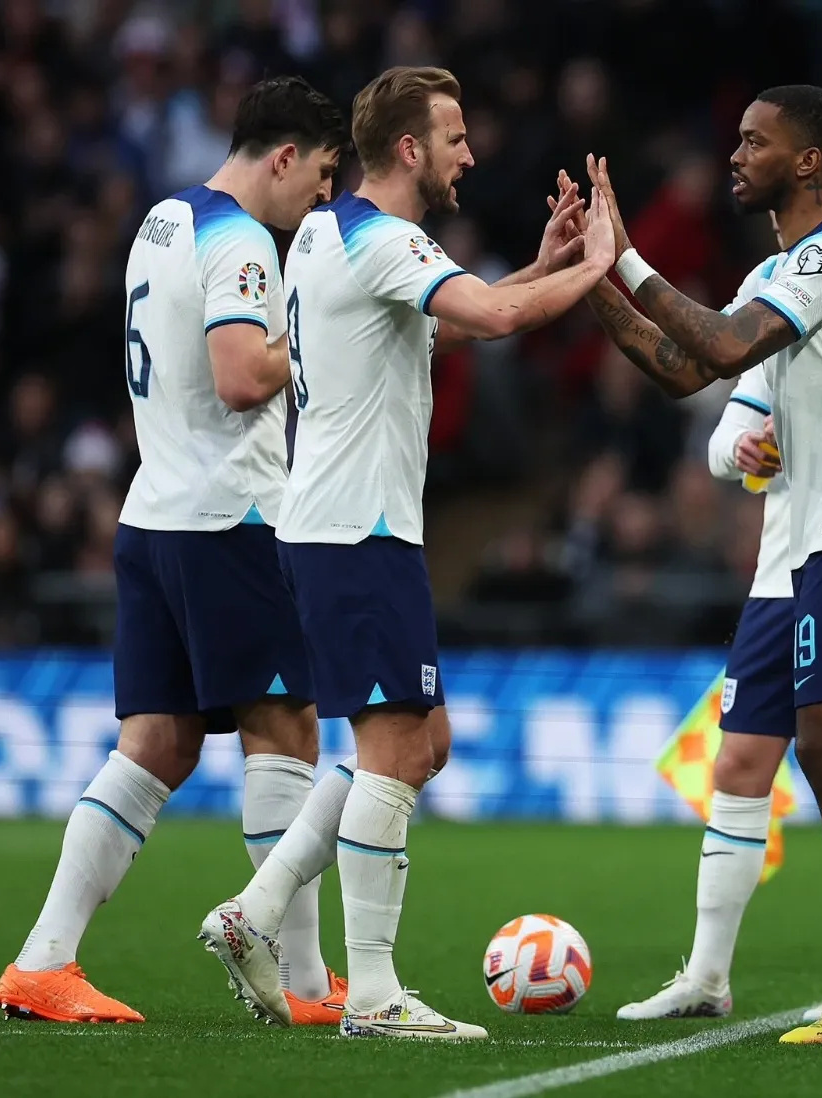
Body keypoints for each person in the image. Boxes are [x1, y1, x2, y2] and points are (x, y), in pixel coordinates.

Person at [196, 66, 615, 1039]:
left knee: (421, 742)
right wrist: (595, 264)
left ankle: (253, 910)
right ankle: (375, 995)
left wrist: (543, 262)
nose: (472, 153)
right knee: (393, 749)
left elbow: (443, 325)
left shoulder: (322, 235)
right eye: (456, 135)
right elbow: (499, 321)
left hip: (344, 525)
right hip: (358, 530)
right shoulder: (389, 240)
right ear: (411, 149)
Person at [582, 84, 822, 1045]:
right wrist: (595, 284)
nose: (734, 156)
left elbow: (728, 343)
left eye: (755, 141)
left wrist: (629, 257)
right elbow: (686, 365)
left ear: (809, 161)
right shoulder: (786, 264)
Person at [0, 77, 349, 1026]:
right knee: (288, 728)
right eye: (320, 174)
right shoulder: (239, 241)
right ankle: (309, 986)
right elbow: (240, 378)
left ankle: (43, 960)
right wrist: (321, 344)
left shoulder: (161, 222)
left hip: (154, 512)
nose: (321, 197)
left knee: (155, 744)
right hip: (230, 518)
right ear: (283, 156)